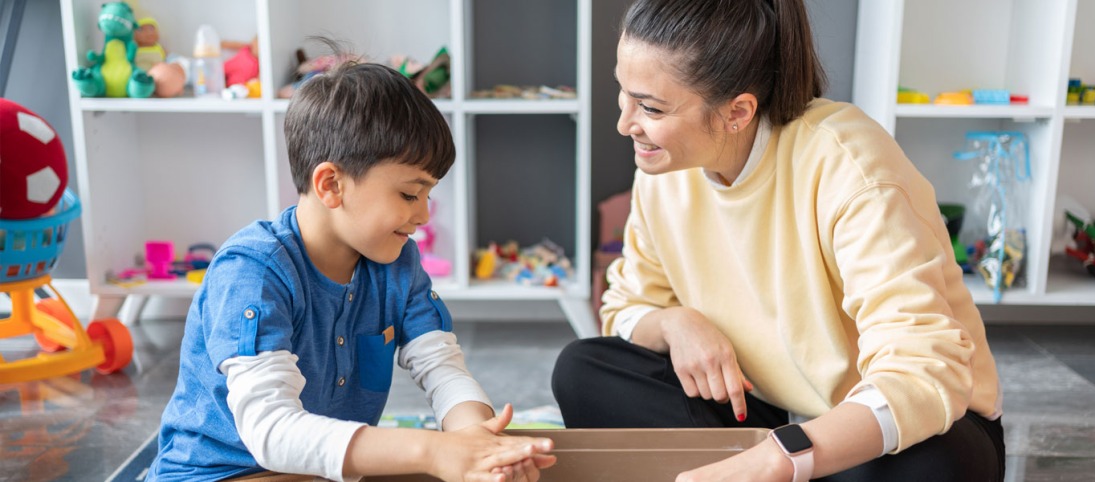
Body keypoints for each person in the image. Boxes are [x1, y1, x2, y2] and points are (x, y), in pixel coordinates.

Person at [551, 1, 1004, 481]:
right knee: (584, 368)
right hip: (762, 413)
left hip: (876, 428)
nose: (624, 123)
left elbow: (924, 373)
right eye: (623, 93)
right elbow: (625, 308)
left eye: (650, 107)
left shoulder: (850, 166)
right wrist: (673, 323)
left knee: (933, 464)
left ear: (737, 112)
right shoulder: (665, 169)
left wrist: (773, 462)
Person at [147, 46, 555, 482]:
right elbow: (271, 432)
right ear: (331, 185)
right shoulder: (253, 272)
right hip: (218, 474)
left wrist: (477, 443)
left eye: (428, 195)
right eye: (408, 194)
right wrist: (434, 451)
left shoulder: (396, 262)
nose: (423, 216)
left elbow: (441, 365)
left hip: (320, 472)